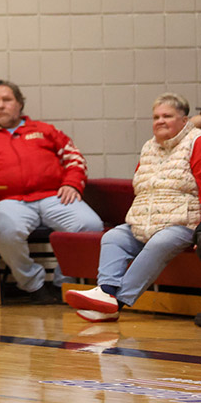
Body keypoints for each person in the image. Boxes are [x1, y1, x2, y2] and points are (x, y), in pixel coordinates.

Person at [0, 79, 103, 303]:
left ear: (19, 104)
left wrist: (71, 183)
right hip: (10, 200)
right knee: (7, 230)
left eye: (7, 100)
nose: (1, 105)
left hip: (54, 196)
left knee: (91, 225)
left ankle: (64, 283)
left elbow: (74, 158)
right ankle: (33, 284)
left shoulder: (45, 130)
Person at [65, 93, 201, 322]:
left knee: (160, 242)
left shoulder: (197, 141)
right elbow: (142, 188)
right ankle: (105, 292)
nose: (160, 121)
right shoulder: (149, 147)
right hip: (146, 221)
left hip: (183, 222)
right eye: (156, 116)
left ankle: (117, 302)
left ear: (185, 120)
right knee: (114, 237)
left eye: (167, 116)